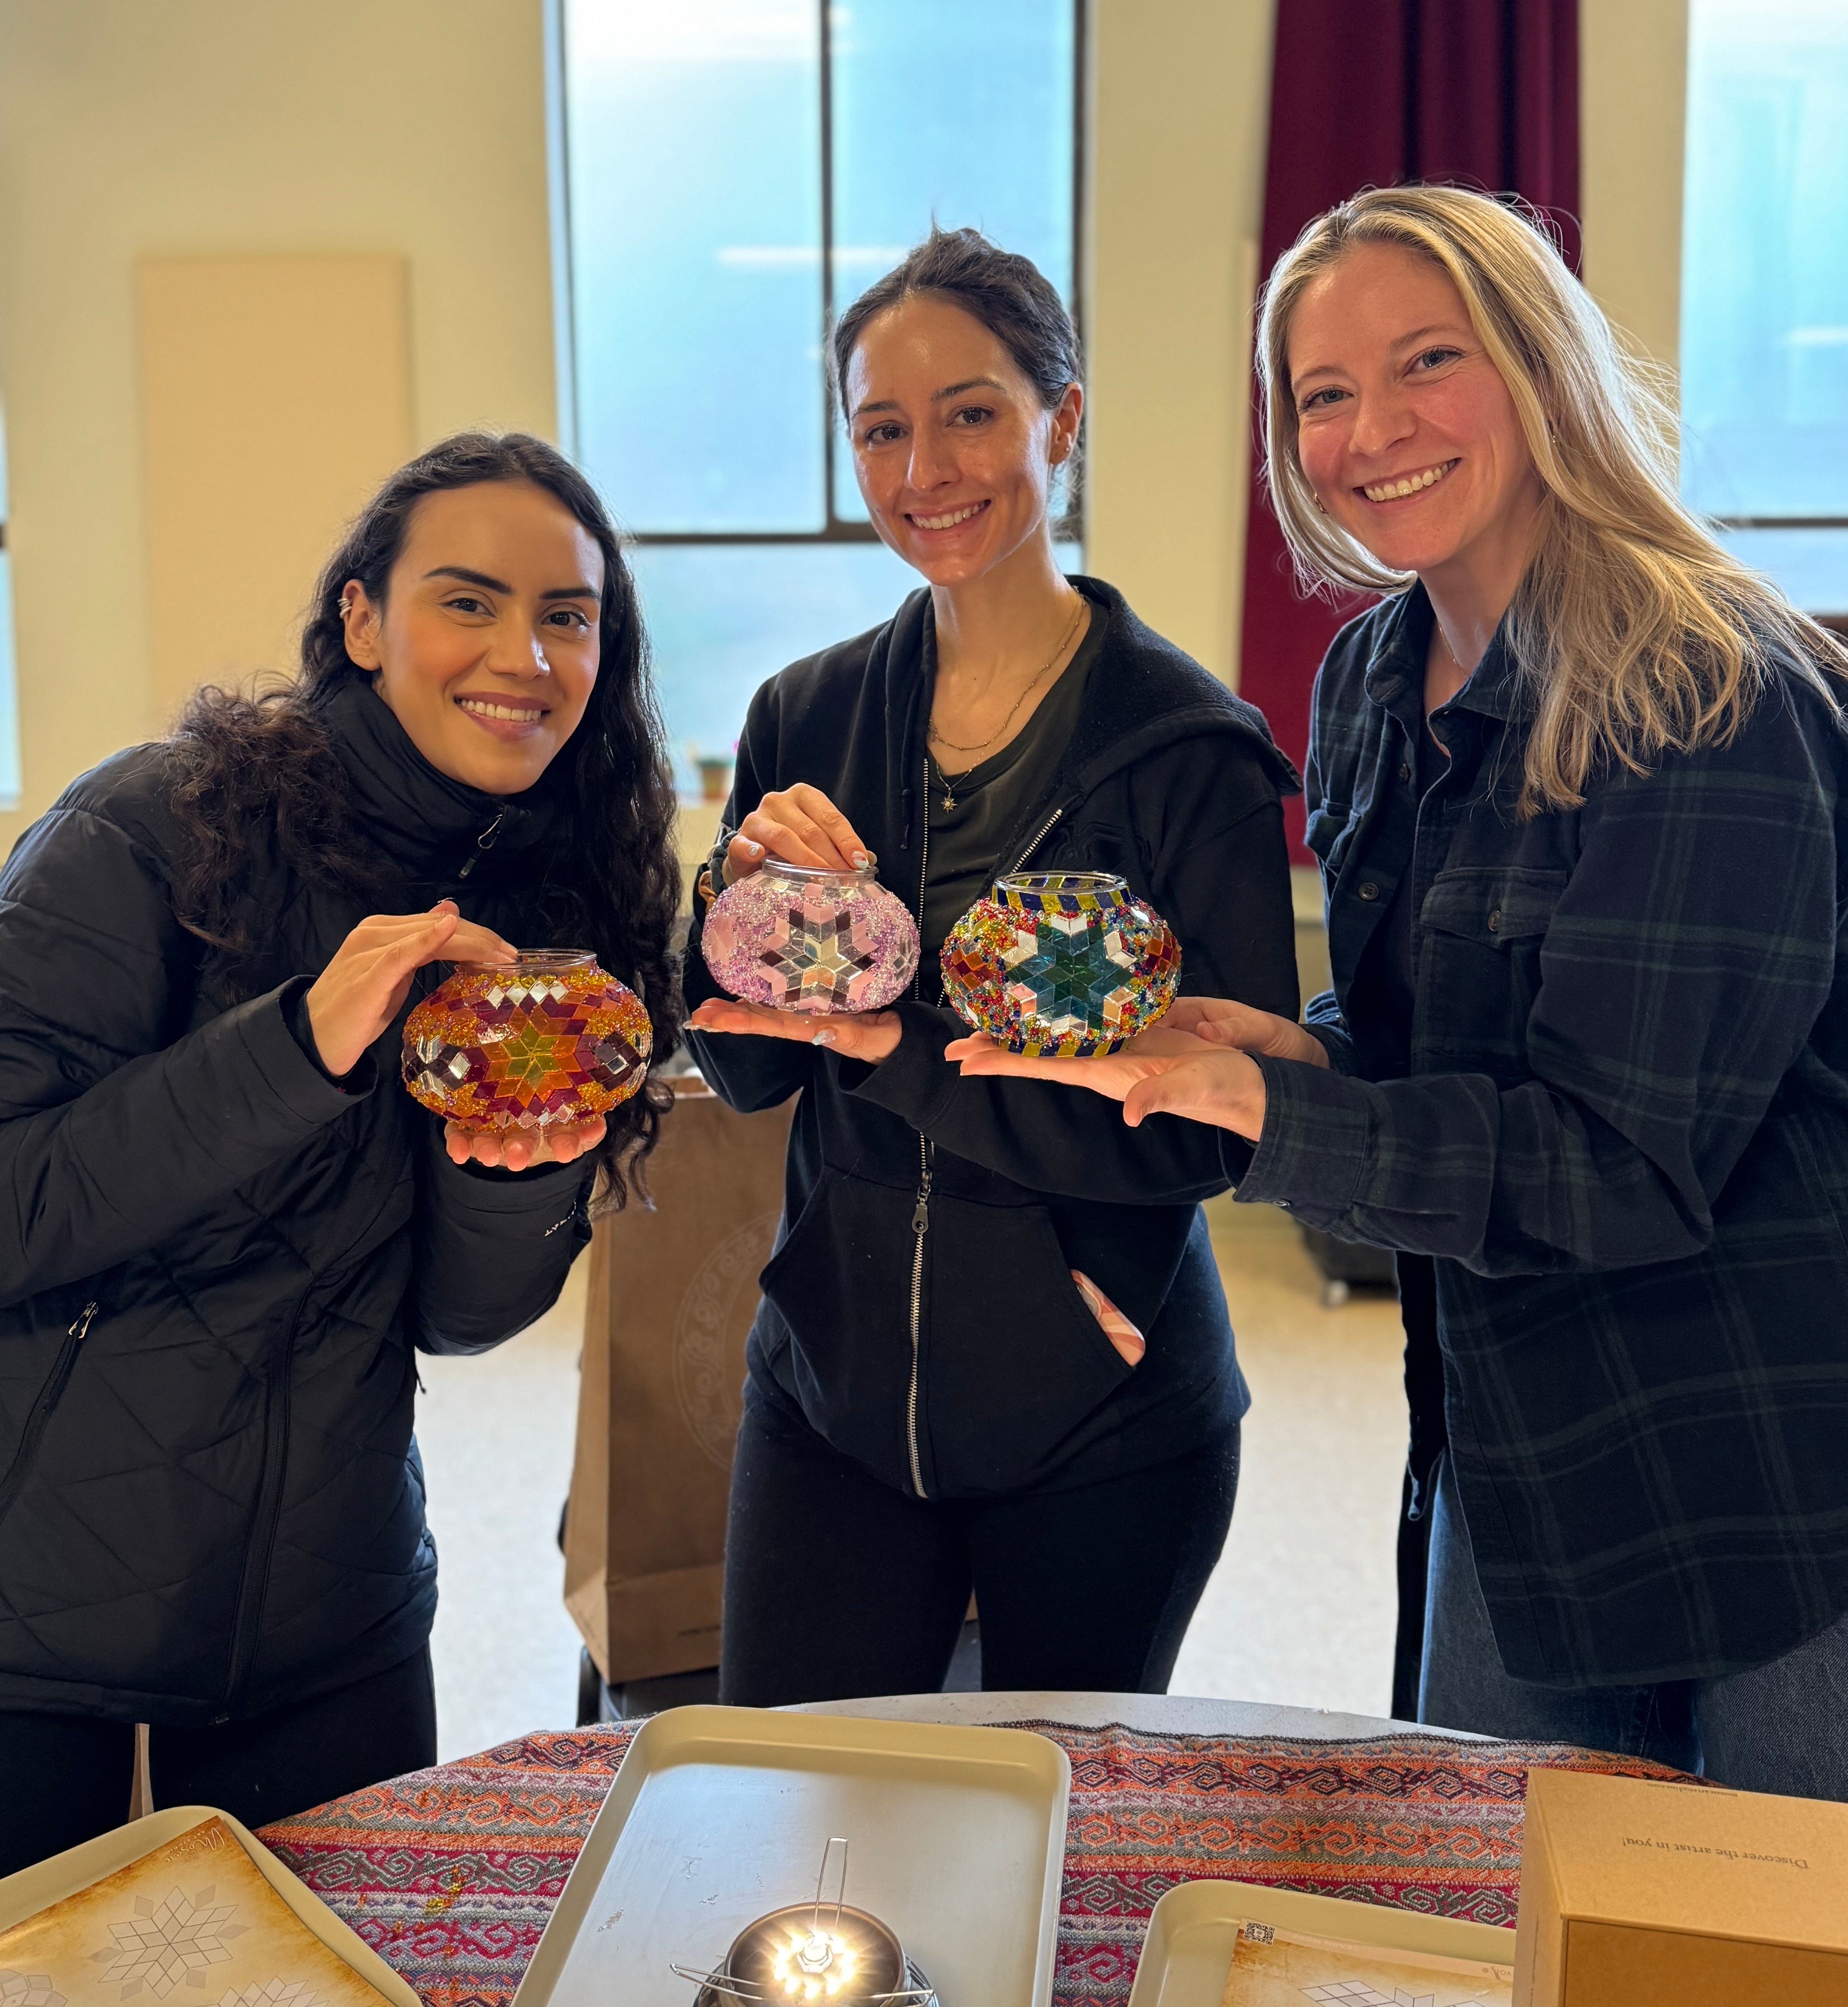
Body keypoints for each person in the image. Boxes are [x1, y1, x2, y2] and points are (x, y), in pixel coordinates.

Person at [950, 185, 1848, 1799]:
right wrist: (1290, 1045)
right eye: (1320, 394)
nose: (1372, 431)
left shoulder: (1704, 694)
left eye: (1426, 362)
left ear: (1540, 366)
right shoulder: (1372, 673)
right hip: (1513, 1439)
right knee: (1504, 1897)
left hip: (1765, 1462)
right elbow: (1432, 1043)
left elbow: (1619, 1162)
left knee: (1763, 1940)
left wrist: (1271, 1113)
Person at [0, 430, 679, 1872]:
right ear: (362, 620)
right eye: (468, 599)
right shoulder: (152, 826)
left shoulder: (558, 899)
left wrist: (519, 1176)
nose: (524, 652)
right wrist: (294, 1046)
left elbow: (453, 1318)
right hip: (42, 1627)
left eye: (569, 615)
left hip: (334, 1608)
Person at [682, 227, 1298, 1706]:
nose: (923, 471)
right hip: (833, 1392)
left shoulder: (1184, 748)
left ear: (1060, 420)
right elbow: (750, 1070)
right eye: (880, 431)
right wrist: (739, 901)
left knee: (1061, 1832)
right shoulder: (808, 715)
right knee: (800, 1811)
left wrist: (898, 1050)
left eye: (970, 413)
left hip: (1104, 1402)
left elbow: (1213, 1130)